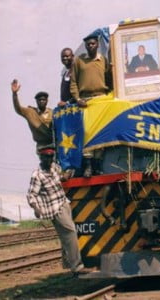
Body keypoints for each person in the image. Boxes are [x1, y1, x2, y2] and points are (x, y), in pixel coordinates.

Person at [27, 147, 92, 276]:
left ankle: (72, 263)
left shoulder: (54, 168)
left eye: (51, 156)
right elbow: (31, 195)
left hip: (64, 203)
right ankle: (77, 267)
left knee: (67, 235)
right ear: (41, 158)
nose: (49, 159)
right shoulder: (37, 175)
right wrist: (36, 208)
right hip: (54, 209)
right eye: (46, 157)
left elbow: (60, 178)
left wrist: (66, 175)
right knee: (70, 232)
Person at [70, 32, 110, 177]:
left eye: (93, 43)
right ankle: (88, 166)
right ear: (85, 46)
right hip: (85, 101)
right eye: (88, 44)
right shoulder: (79, 61)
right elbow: (73, 82)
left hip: (101, 99)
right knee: (87, 132)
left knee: (101, 131)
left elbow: (109, 78)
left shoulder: (103, 60)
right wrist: (77, 98)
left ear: (97, 44)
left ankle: (98, 165)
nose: (90, 46)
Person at [11, 79, 53, 151]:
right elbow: (18, 109)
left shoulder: (52, 112)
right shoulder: (30, 112)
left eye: (43, 99)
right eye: (39, 100)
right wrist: (14, 94)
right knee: (46, 161)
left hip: (53, 144)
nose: (42, 101)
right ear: (36, 101)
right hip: (41, 146)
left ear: (47, 101)